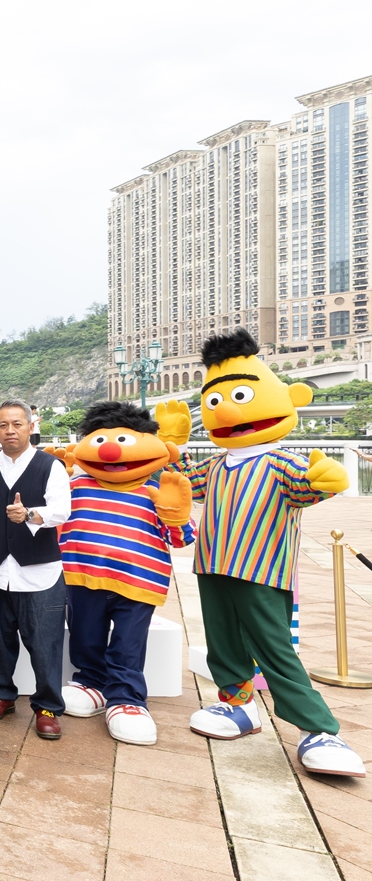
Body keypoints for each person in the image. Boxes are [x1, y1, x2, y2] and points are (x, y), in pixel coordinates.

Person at [160, 329, 362, 776]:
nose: (226, 410)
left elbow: (307, 487)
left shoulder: (281, 461)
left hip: (262, 570)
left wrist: (325, 480)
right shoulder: (217, 464)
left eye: (239, 397)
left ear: (289, 397)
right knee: (223, 641)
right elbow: (185, 485)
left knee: (274, 648)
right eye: (216, 401)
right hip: (213, 566)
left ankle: (319, 728)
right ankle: (238, 706)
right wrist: (175, 445)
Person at [57, 401, 192, 746]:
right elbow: (52, 518)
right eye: (101, 441)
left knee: (128, 642)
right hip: (83, 576)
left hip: (137, 581)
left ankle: (127, 698)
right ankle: (91, 682)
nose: (111, 451)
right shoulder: (77, 485)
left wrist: (176, 516)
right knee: (85, 634)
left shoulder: (156, 490)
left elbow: (181, 539)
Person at [0, 400, 71, 740]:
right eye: (3, 425)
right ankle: (1, 695)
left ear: (30, 426)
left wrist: (30, 514)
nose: (10, 430)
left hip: (39, 572)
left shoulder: (50, 466)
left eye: (17, 424)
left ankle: (47, 707)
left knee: (45, 643)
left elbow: (62, 510)